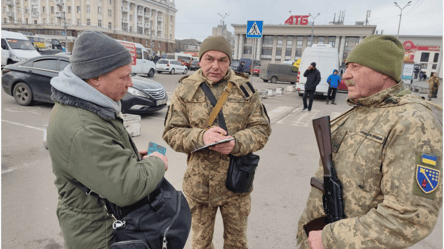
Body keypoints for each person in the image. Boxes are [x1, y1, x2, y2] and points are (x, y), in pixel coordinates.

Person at [297, 35, 443, 249]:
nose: (346, 75)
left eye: (355, 67)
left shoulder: (414, 123)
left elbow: (410, 217)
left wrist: (330, 238)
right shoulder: (365, 107)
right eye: (347, 66)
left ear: (384, 73)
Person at [47, 31, 168, 249]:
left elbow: (98, 159)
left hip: (99, 221)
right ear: (95, 78)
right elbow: (127, 187)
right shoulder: (83, 127)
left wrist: (129, 157)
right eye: (123, 76)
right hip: (98, 233)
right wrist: (158, 161)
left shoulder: (85, 104)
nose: (130, 83)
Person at [163, 36, 272, 249]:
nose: (216, 66)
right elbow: (171, 132)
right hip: (199, 185)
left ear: (229, 62)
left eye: (223, 60)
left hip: (237, 184)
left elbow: (262, 129)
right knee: (201, 244)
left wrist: (237, 143)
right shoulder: (185, 90)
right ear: (200, 59)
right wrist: (200, 137)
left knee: (237, 244)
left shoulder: (245, 89)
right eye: (209, 58)